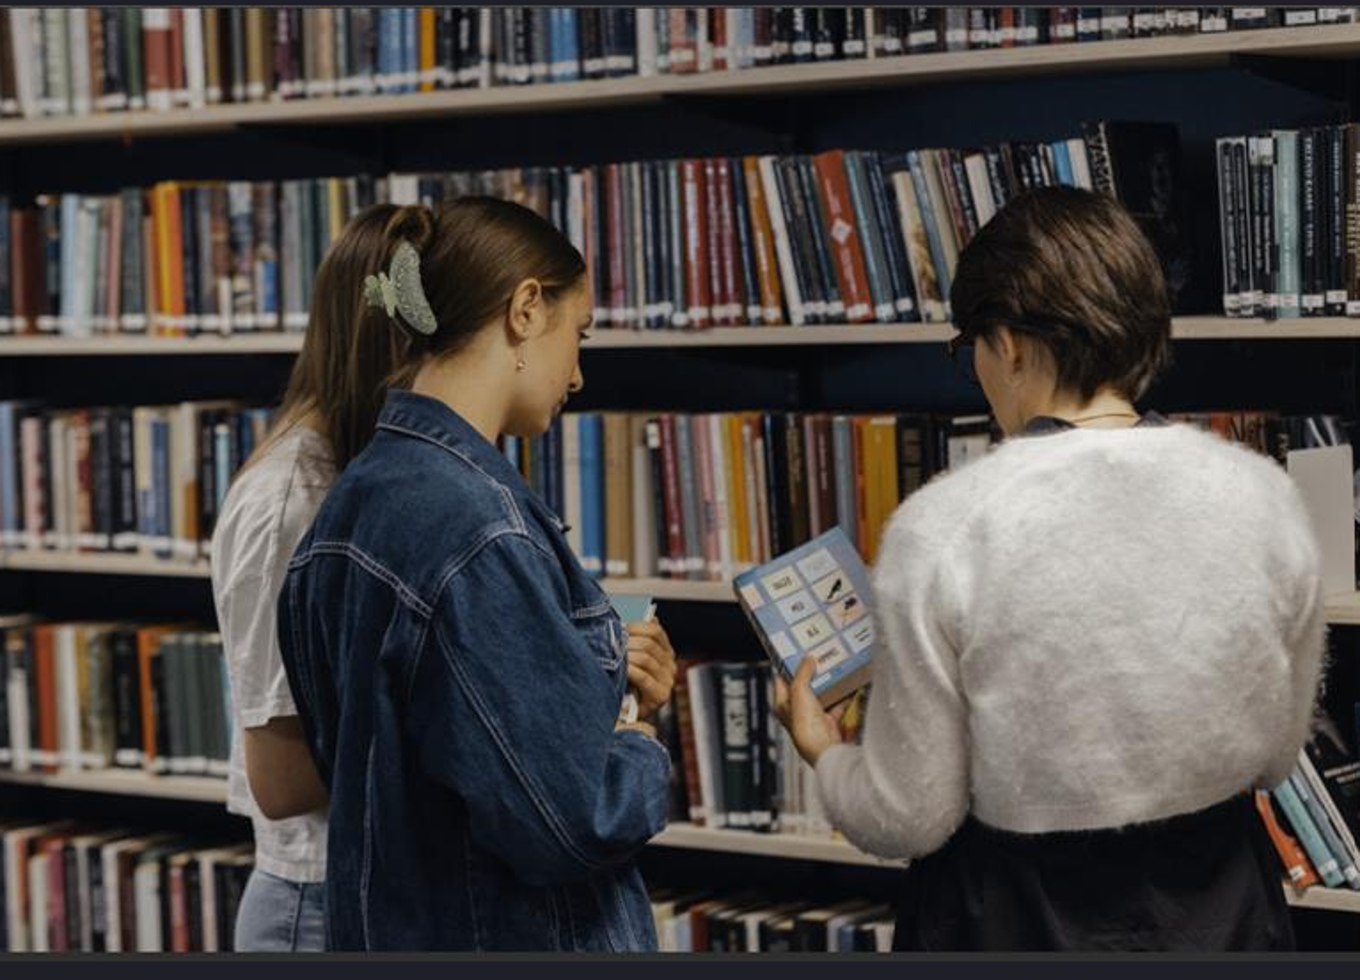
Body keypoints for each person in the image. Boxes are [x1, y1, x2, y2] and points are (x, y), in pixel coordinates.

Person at [775, 186, 1327, 951]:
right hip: (1226, 919)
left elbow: (909, 817)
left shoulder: (945, 528)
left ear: (1009, 343)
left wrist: (824, 753)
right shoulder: (1265, 498)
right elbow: (1272, 757)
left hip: (1015, 922)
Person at [275, 198, 678, 951]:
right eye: (578, 335)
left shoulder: (349, 505)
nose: (579, 374)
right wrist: (636, 735)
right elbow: (573, 819)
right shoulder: (479, 529)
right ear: (526, 309)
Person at [211, 204, 423, 950]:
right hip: (317, 902)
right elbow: (282, 780)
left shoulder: (374, 473)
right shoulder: (290, 500)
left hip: (379, 886)